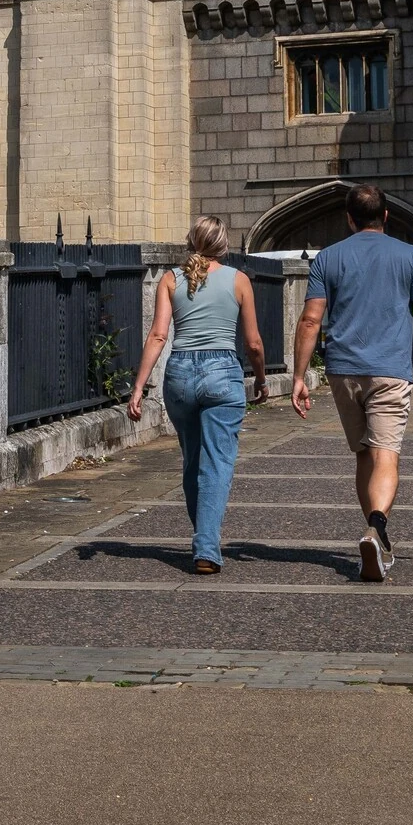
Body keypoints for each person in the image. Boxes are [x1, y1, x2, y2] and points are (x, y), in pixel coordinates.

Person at [290, 181, 413, 581]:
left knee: (364, 453)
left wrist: (299, 376)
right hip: (389, 370)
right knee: (386, 452)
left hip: (343, 370)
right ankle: (378, 527)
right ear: (386, 215)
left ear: (349, 219)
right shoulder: (410, 256)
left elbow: (311, 319)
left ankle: (375, 534)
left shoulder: (328, 258)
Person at [126, 215, 266, 574]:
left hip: (181, 375)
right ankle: (206, 547)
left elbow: (158, 336)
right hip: (223, 374)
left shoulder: (171, 279)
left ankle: (204, 537)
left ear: (191, 241)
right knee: (217, 463)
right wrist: (261, 379)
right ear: (224, 245)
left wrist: (139, 387)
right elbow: (252, 343)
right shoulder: (239, 281)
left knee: (192, 460)